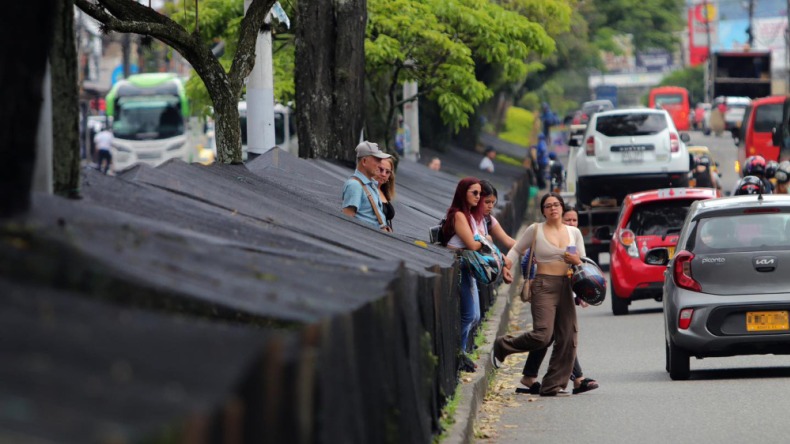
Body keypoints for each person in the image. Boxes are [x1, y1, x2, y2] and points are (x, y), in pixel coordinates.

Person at [491, 192, 584, 397]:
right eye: (548, 205)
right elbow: (516, 249)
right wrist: (506, 267)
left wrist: (576, 262)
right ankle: (503, 345)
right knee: (543, 335)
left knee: (568, 337)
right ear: (543, 210)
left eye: (556, 204)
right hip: (543, 285)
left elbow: (583, 262)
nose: (553, 208)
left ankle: (552, 384)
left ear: (561, 207)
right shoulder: (535, 230)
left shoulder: (574, 232)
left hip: (566, 286)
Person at [517, 206, 599, 396]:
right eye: (567, 220)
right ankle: (577, 379)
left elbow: (582, 270)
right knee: (562, 335)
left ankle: (529, 376)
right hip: (545, 291)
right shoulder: (546, 238)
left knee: (555, 336)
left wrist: (581, 294)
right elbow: (526, 259)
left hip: (565, 291)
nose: (571, 224)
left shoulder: (573, 239)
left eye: (574, 220)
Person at [442, 177, 487, 372]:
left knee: (475, 315)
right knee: (469, 315)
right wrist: (483, 241)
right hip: (459, 267)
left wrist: (480, 240)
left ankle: (462, 353)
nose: (478, 197)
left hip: (468, 268)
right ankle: (459, 354)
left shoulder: (469, 215)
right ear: (463, 193)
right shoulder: (459, 215)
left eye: (480, 194)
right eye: (474, 193)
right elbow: (472, 244)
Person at [341, 141, 393, 231]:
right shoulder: (355, 185)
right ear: (364, 161)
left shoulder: (371, 185)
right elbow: (346, 222)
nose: (379, 164)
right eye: (377, 160)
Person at [376, 157, 396, 231]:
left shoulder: (385, 193)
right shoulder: (367, 189)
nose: (383, 174)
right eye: (380, 169)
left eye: (387, 172)